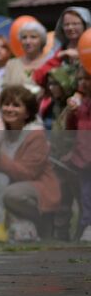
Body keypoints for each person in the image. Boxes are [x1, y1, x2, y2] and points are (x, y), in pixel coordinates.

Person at [0, 86, 60, 242]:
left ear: (27, 113)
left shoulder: (36, 135)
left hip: (35, 187)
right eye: (6, 104)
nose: (9, 109)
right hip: (6, 184)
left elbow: (28, 174)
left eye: (16, 105)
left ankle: (42, 222)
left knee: (11, 194)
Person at [60, 68, 91, 241]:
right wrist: (71, 112)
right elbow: (71, 130)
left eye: (87, 78)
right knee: (85, 194)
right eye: (80, 79)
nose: (82, 83)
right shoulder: (80, 104)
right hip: (83, 158)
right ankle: (87, 225)